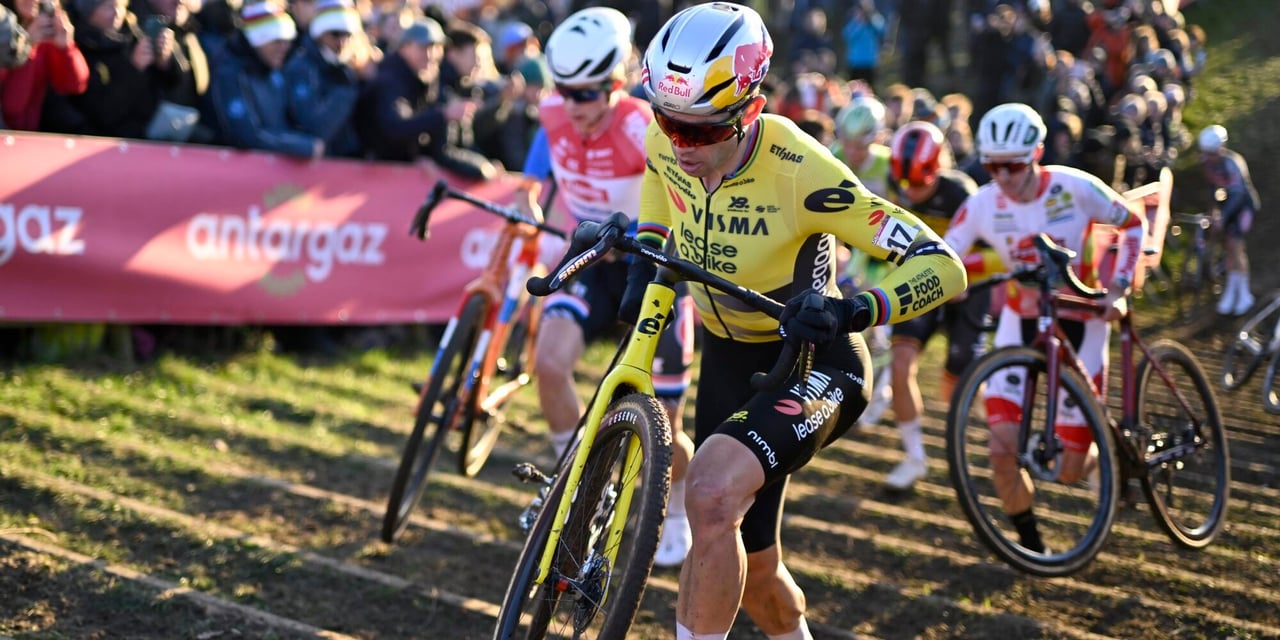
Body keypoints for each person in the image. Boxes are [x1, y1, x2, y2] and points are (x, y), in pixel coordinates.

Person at [637, 4, 967, 638]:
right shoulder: (669, 138)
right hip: (726, 360)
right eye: (668, 121)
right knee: (758, 577)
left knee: (708, 496)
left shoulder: (800, 169)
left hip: (812, 363)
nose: (680, 144)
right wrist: (647, 253)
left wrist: (853, 310)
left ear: (751, 110)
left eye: (701, 132)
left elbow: (943, 265)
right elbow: (658, 177)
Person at [515, 6, 698, 569]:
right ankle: (575, 487)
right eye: (565, 90)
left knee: (665, 423)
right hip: (592, 257)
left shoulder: (644, 127)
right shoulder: (552, 113)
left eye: (588, 93)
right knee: (549, 365)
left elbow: (687, 197)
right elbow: (537, 168)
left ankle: (675, 509)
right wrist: (529, 198)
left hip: (653, 265)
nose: (574, 104)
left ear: (617, 83)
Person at [942, 102, 1147, 554]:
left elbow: (1133, 222)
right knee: (1001, 449)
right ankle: (1031, 549)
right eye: (992, 166)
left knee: (1070, 469)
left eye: (1013, 166)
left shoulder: (1074, 187)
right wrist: (944, 283)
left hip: (1082, 321)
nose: (1002, 176)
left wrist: (1118, 288)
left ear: (1036, 154)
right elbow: (943, 255)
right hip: (1020, 322)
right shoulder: (982, 204)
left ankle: (1105, 460)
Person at [880, 120, 985, 491]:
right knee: (900, 362)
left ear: (937, 168)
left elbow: (991, 251)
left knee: (958, 375)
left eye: (919, 184)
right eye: (904, 183)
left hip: (969, 288)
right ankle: (914, 457)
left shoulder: (962, 192)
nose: (911, 192)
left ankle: (962, 442)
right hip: (923, 281)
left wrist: (963, 275)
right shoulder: (895, 184)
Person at [208, 1, 322, 158]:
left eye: (288, 41)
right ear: (257, 40)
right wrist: (303, 146)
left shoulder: (273, 73)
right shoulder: (230, 73)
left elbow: (284, 125)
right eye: (277, 41)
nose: (284, 48)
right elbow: (246, 135)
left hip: (271, 169)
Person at [283, 0, 375, 158]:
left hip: (347, 162)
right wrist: (348, 88)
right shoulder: (302, 68)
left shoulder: (349, 67)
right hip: (316, 164)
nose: (343, 41)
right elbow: (315, 129)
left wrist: (367, 81)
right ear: (320, 34)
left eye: (348, 34)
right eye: (335, 33)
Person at [1197, 124, 1259, 316]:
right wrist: (1214, 212)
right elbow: (1211, 189)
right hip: (1227, 208)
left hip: (1243, 208)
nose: (1209, 157)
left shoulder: (1233, 163)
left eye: (1212, 153)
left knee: (1236, 246)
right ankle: (1231, 290)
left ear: (1221, 148)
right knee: (1228, 248)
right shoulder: (1207, 162)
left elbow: (1238, 194)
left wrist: (1222, 217)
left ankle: (1244, 293)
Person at [0, 0, 88, 131]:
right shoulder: (3, 28)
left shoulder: (46, 30)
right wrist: (25, 46)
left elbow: (74, 85)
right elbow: (11, 106)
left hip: (31, 135)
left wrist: (66, 49)